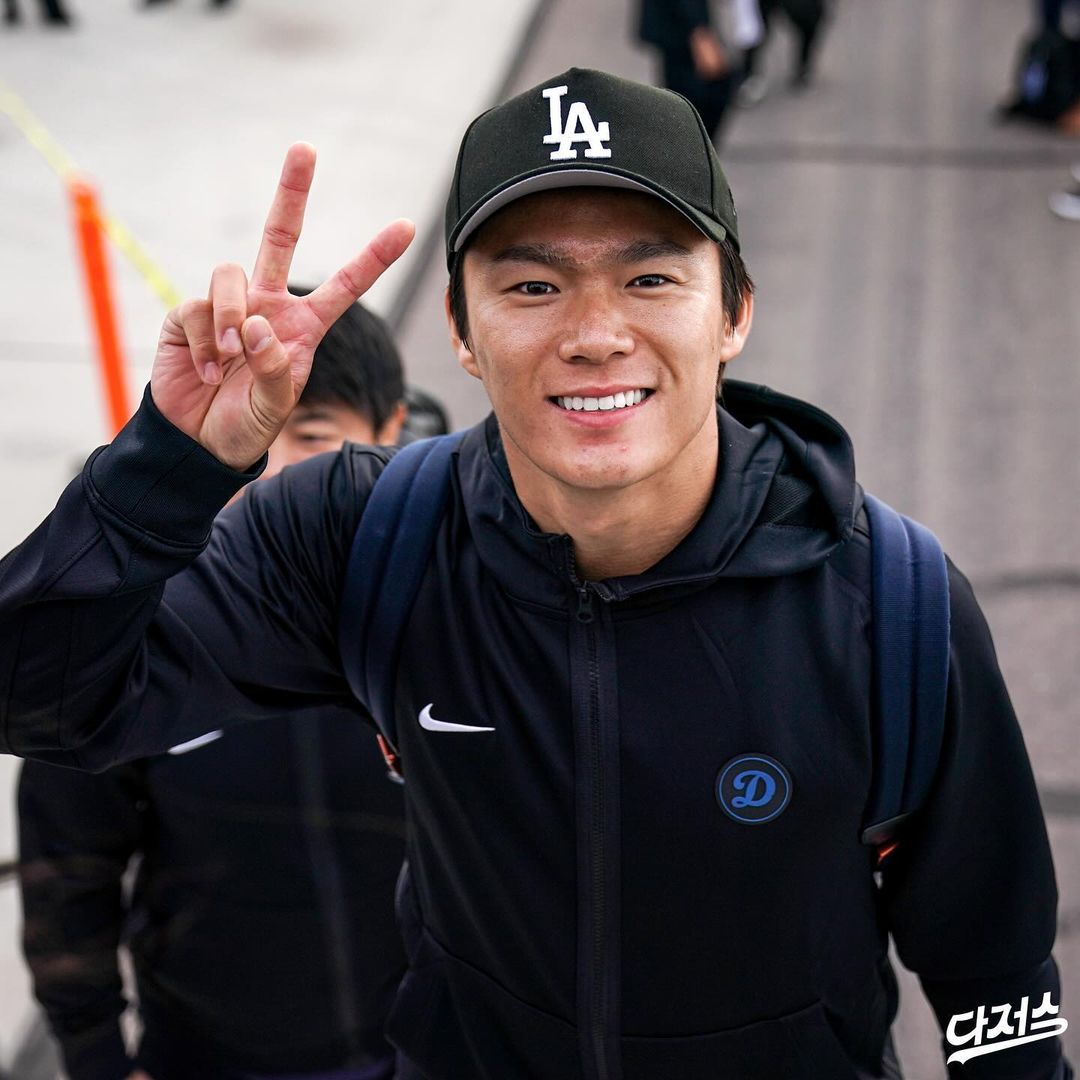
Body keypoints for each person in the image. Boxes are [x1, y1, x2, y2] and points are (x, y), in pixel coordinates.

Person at [0, 67, 1072, 1080]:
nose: (595, 334)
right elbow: (40, 701)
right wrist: (170, 466)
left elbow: (996, 982)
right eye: (531, 283)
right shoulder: (365, 535)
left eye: (650, 276)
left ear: (734, 309)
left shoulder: (894, 604)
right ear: (461, 332)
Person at [16, 298, 408, 1080]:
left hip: (440, 1049)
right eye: (254, 428)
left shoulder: (448, 599)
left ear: (389, 428)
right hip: (210, 1056)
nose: (274, 464)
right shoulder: (136, 636)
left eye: (315, 433)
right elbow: (66, 873)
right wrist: (95, 1056)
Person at [637, 0, 736, 141]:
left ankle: (691, 148)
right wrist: (699, 32)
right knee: (697, 96)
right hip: (684, 28)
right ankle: (693, 149)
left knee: (684, 96)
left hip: (681, 25)